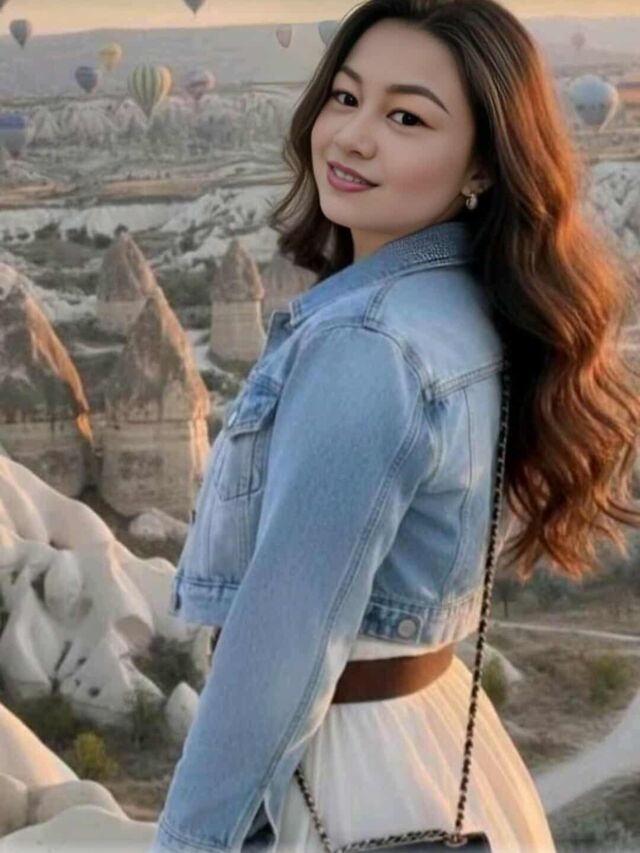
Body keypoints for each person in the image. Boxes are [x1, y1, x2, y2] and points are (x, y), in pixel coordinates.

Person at [150, 1, 640, 851]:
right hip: (436, 738)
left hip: (339, 769)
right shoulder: (469, 303)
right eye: (345, 98)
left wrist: (190, 841)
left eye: (406, 117)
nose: (353, 137)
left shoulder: (366, 344)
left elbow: (285, 641)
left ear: (483, 162)